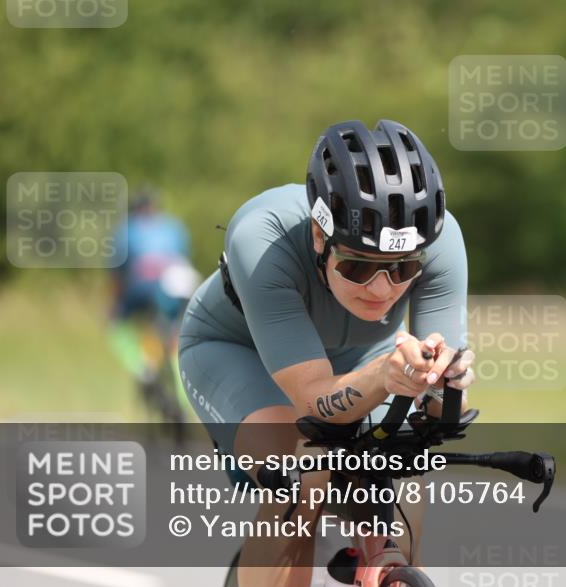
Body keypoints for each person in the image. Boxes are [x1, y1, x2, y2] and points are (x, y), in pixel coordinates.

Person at [178, 119, 476, 587]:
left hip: (366, 356)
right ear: (320, 238)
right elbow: (314, 400)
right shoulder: (262, 235)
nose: (383, 288)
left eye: (404, 268)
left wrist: (445, 380)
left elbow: (437, 409)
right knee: (299, 475)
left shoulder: (440, 239)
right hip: (238, 352)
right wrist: (384, 375)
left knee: (401, 477)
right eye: (358, 266)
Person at [108, 190, 199, 423]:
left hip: (142, 288)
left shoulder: (127, 229)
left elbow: (118, 274)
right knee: (174, 339)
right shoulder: (174, 227)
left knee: (117, 326)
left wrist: (114, 304)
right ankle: (184, 400)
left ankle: (143, 367)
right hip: (179, 288)